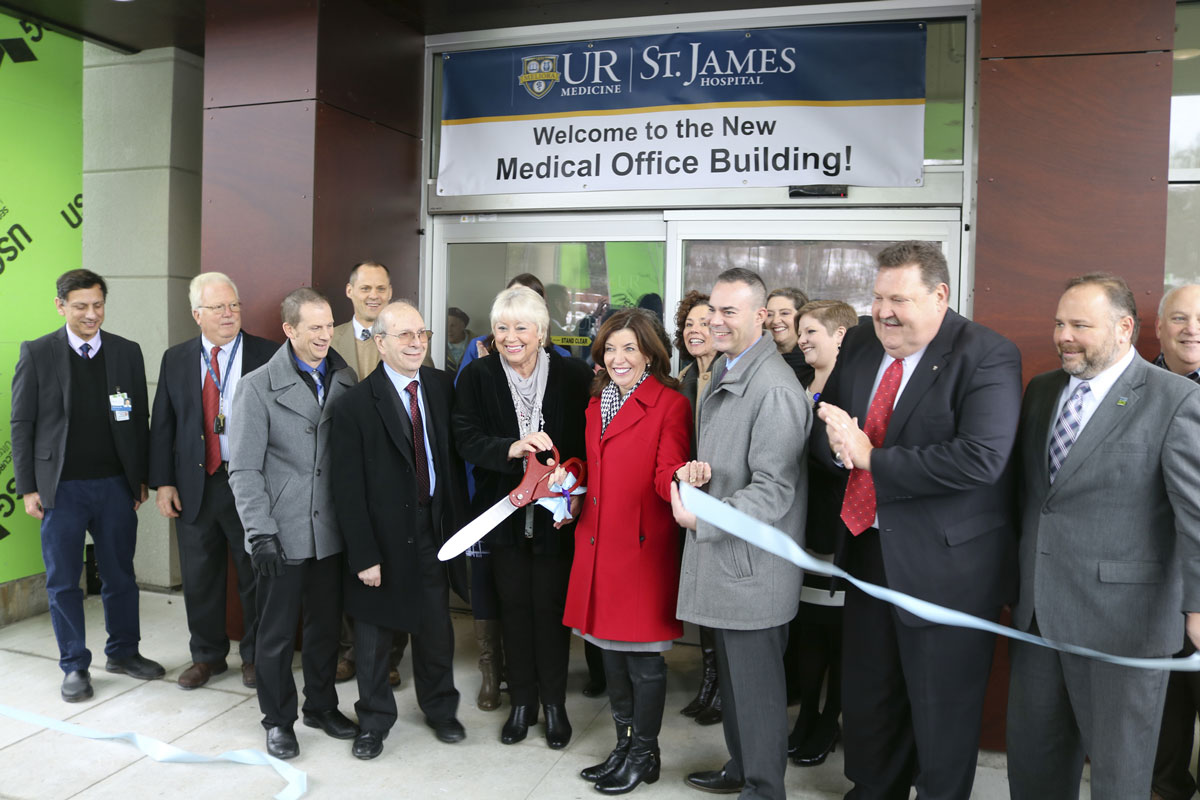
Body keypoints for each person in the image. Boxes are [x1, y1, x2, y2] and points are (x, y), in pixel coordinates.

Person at [812, 240, 1022, 800]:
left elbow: (982, 459)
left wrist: (870, 458)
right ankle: (874, 787)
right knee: (870, 690)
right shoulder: (859, 341)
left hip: (948, 568)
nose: (883, 312)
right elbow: (826, 425)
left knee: (940, 704)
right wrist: (838, 448)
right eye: (877, 297)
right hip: (868, 551)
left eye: (898, 299)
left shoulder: (986, 354)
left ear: (940, 296)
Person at [1007, 274, 1200, 800]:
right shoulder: (1042, 390)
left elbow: (1196, 517)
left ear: (1124, 329)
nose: (1063, 335)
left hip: (1125, 624)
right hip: (1039, 617)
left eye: (1079, 325)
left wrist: (1199, 608)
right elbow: (1032, 499)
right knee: (1034, 770)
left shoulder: (1175, 400)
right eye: (1059, 323)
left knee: (1119, 781)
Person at [670, 267, 809, 800]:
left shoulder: (773, 389)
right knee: (735, 685)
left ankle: (763, 787)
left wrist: (705, 517)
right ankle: (740, 768)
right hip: (731, 567)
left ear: (760, 318)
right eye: (712, 312)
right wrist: (701, 473)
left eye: (730, 312)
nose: (717, 322)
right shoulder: (731, 370)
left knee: (757, 691)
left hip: (753, 571)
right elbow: (739, 465)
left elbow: (775, 491)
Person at [555, 309, 692, 795]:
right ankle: (623, 744)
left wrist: (679, 480)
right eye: (610, 348)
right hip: (597, 541)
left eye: (630, 348)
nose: (618, 358)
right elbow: (596, 467)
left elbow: (666, 468)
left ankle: (645, 752)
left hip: (640, 547)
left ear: (651, 354)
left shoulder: (671, 405)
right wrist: (570, 477)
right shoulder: (598, 404)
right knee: (609, 653)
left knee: (645, 660)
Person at [11, 269, 162, 702]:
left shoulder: (126, 352)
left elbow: (138, 419)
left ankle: (124, 652)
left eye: (97, 305)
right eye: (80, 306)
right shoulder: (38, 353)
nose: (91, 314)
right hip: (61, 488)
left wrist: (140, 479)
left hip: (115, 486)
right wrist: (28, 488)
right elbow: (22, 423)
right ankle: (74, 665)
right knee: (63, 582)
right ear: (60, 306)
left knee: (119, 575)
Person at [453, 285, 592, 749]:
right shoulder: (477, 375)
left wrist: (571, 484)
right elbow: (465, 437)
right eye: (501, 328)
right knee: (512, 609)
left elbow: (588, 446)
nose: (511, 337)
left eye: (521, 328)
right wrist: (509, 449)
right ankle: (522, 704)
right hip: (504, 515)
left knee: (550, 611)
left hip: (558, 518)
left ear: (542, 331)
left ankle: (554, 705)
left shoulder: (575, 377)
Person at [331, 301, 471, 760]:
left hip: (434, 529)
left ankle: (441, 709)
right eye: (405, 335)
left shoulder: (440, 386)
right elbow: (347, 489)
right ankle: (373, 721)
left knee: (435, 628)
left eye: (422, 334)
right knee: (373, 636)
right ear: (380, 341)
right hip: (382, 538)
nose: (416, 343)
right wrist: (364, 555)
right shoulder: (354, 404)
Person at [229, 287, 359, 759]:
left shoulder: (345, 379)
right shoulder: (257, 386)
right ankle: (277, 719)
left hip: (330, 532)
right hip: (280, 533)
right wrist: (259, 532)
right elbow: (242, 468)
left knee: (326, 627)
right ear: (289, 330)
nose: (326, 335)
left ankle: (321, 705)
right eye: (315, 328)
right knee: (276, 633)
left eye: (329, 326)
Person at [148, 272, 277, 690]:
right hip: (195, 484)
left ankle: (255, 657)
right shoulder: (177, 358)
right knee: (200, 576)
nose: (228, 313)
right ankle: (206, 656)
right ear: (196, 314)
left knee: (256, 573)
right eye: (218, 307)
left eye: (234, 305)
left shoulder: (269, 354)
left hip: (251, 485)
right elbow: (163, 425)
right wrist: (163, 483)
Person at [328, 260, 407, 687]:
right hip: (346, 463)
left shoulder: (407, 336)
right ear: (350, 291)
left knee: (393, 566)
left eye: (381, 288)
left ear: (390, 291)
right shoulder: (331, 337)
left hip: (394, 471)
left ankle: (390, 657)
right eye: (366, 288)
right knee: (350, 562)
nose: (374, 295)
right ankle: (349, 652)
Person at [785, 299, 856, 766]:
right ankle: (807, 713)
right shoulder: (798, 386)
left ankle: (831, 717)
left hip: (838, 536)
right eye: (801, 331)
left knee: (839, 638)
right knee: (807, 634)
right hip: (799, 530)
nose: (803, 339)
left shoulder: (856, 390)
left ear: (840, 336)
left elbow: (842, 465)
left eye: (812, 331)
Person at [1152, 284, 1200, 800]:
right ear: (1159, 327)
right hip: (1151, 583)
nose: (1192, 330)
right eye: (1181, 318)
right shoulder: (1129, 385)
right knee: (1161, 721)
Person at [671, 291, 723, 726]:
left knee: (720, 596)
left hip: (722, 498)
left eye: (704, 322)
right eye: (689, 322)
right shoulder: (684, 376)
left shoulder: (729, 374)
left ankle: (722, 686)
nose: (695, 330)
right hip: (691, 496)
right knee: (703, 596)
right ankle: (709, 682)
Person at [766, 287, 814, 387]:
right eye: (769, 314)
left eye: (784, 313)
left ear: (802, 317)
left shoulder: (814, 362)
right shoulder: (758, 357)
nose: (775, 321)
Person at [445, 306, 473, 373]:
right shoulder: (436, 344)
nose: (449, 330)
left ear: (463, 326)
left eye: (453, 325)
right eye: (446, 325)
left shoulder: (477, 344)